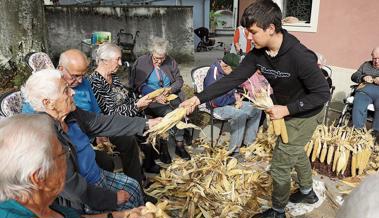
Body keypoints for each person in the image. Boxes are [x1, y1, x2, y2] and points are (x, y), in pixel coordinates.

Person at [180, 1, 330, 218]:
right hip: (285, 110)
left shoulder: (299, 56)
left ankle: (278, 211)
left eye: (253, 32)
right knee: (295, 152)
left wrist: (287, 109)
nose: (248, 38)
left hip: (305, 113)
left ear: (270, 28)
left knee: (280, 163)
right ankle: (308, 192)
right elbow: (234, 78)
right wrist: (197, 98)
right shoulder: (259, 53)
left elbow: (322, 94)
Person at [22, 69, 161, 213]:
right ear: (48, 103)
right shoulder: (46, 138)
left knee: (133, 186)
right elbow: (72, 188)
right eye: (66, 90)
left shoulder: (71, 115)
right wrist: (112, 198)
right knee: (129, 208)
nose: (72, 92)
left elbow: (103, 122)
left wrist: (145, 124)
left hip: (96, 175)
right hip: (83, 197)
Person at [0, 114, 153, 218]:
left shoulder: (43, 204)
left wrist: (122, 215)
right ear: (38, 177)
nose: (69, 157)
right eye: (63, 154)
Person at [87, 43, 160, 174]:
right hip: (111, 124)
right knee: (132, 138)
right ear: (104, 61)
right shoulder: (94, 82)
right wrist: (137, 106)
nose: (120, 63)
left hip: (127, 117)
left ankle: (148, 164)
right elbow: (111, 112)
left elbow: (125, 98)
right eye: (118, 59)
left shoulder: (113, 77)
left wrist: (142, 101)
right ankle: (136, 174)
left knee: (153, 125)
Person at [131, 36, 191, 161]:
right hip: (151, 98)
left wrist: (170, 89)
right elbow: (139, 85)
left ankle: (179, 145)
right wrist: (156, 95)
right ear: (151, 52)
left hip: (170, 95)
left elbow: (179, 80)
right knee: (169, 114)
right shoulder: (141, 62)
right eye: (156, 58)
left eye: (162, 58)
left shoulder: (170, 61)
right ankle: (164, 147)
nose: (159, 61)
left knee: (181, 111)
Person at [204, 53, 261, 153]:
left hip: (230, 101)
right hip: (216, 107)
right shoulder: (213, 75)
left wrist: (238, 96)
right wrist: (235, 100)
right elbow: (216, 101)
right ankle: (234, 151)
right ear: (225, 66)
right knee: (240, 115)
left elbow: (234, 87)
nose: (234, 72)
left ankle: (249, 143)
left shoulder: (226, 71)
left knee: (256, 108)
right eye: (233, 70)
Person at [351, 46, 379, 141]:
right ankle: (358, 132)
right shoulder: (366, 65)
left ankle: (375, 134)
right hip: (364, 90)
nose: (376, 61)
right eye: (374, 58)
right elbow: (354, 76)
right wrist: (363, 77)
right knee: (359, 104)